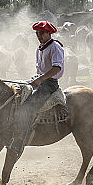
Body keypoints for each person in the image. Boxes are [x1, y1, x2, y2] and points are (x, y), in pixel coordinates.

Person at [7, 20, 65, 156]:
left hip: (49, 84)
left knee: (28, 107)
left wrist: (41, 79)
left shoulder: (55, 47)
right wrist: (35, 79)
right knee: (16, 89)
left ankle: (20, 138)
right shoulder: (40, 48)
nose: (39, 36)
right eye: (37, 33)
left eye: (42, 33)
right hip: (39, 79)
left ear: (49, 33)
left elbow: (57, 68)